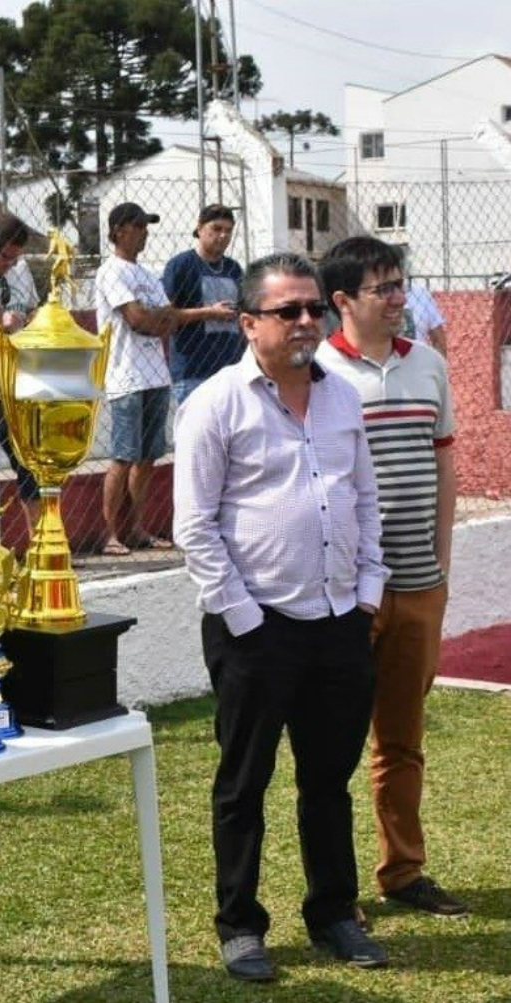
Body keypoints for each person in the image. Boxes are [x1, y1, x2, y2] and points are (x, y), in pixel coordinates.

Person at [173, 252, 389, 982]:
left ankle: (334, 911)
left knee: (328, 779)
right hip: (255, 627)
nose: (306, 322)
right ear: (247, 322)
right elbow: (194, 527)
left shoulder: (344, 398)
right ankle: (240, 924)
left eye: (313, 309)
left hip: (338, 620)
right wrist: (243, 616)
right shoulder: (213, 404)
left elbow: (364, 500)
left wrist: (367, 594)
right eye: (287, 310)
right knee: (244, 783)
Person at [318, 236, 466, 918]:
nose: (400, 298)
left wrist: (439, 562)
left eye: (401, 284)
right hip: (349, 592)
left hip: (418, 585)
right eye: (385, 288)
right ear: (343, 300)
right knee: (335, 743)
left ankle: (403, 871)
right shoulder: (318, 373)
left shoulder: (428, 366)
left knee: (403, 739)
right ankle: (336, 892)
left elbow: (444, 466)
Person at [97, 202, 236, 556]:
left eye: (146, 226)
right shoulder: (112, 272)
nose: (145, 232)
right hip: (125, 373)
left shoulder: (143, 273)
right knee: (123, 455)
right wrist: (160, 316)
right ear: (120, 230)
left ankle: (137, 527)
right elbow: (139, 320)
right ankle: (110, 532)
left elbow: (168, 316)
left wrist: (161, 316)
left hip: (155, 373)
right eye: (139, 226)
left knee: (148, 457)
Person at [162, 204, 246, 404]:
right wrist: (209, 312)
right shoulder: (181, 265)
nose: (223, 236)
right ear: (200, 229)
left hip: (231, 369)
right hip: (193, 371)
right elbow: (166, 316)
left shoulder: (234, 268)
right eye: (216, 229)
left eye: (228, 231)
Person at [0, 213, 42, 529]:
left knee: (30, 462)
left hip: (20, 380)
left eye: (15, 256)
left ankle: (40, 539)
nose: (10, 262)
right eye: (4, 256)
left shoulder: (20, 270)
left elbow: (33, 308)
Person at [403, 282, 449, 357]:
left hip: (419, 363)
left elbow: (438, 339)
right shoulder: (379, 296)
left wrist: (438, 367)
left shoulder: (421, 293)